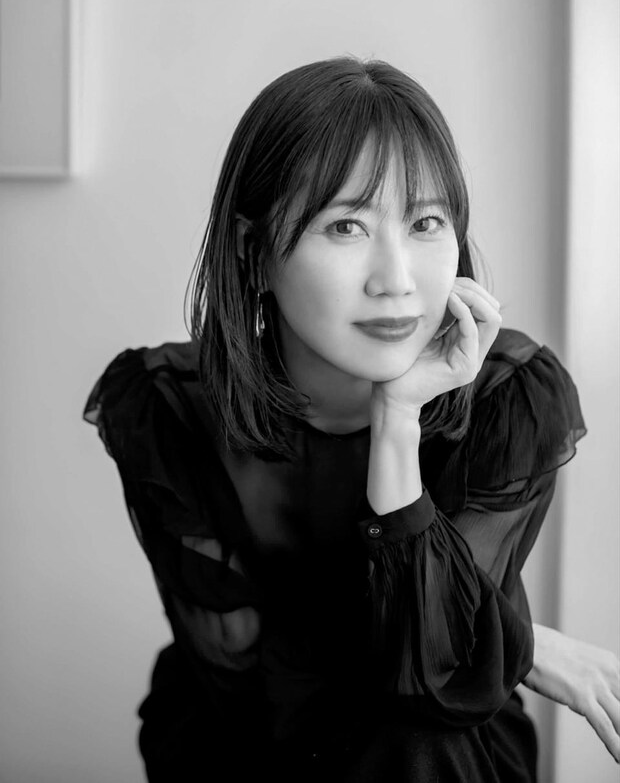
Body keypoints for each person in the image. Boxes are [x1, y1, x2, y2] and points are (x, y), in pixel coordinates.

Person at [83, 57, 619, 782]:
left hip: (440, 746)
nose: (395, 279)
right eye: (345, 225)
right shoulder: (167, 410)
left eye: (426, 222)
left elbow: (437, 683)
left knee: (422, 738)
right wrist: (519, 644)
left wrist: (397, 422)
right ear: (252, 252)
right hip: (246, 737)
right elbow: (240, 671)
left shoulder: (509, 397)